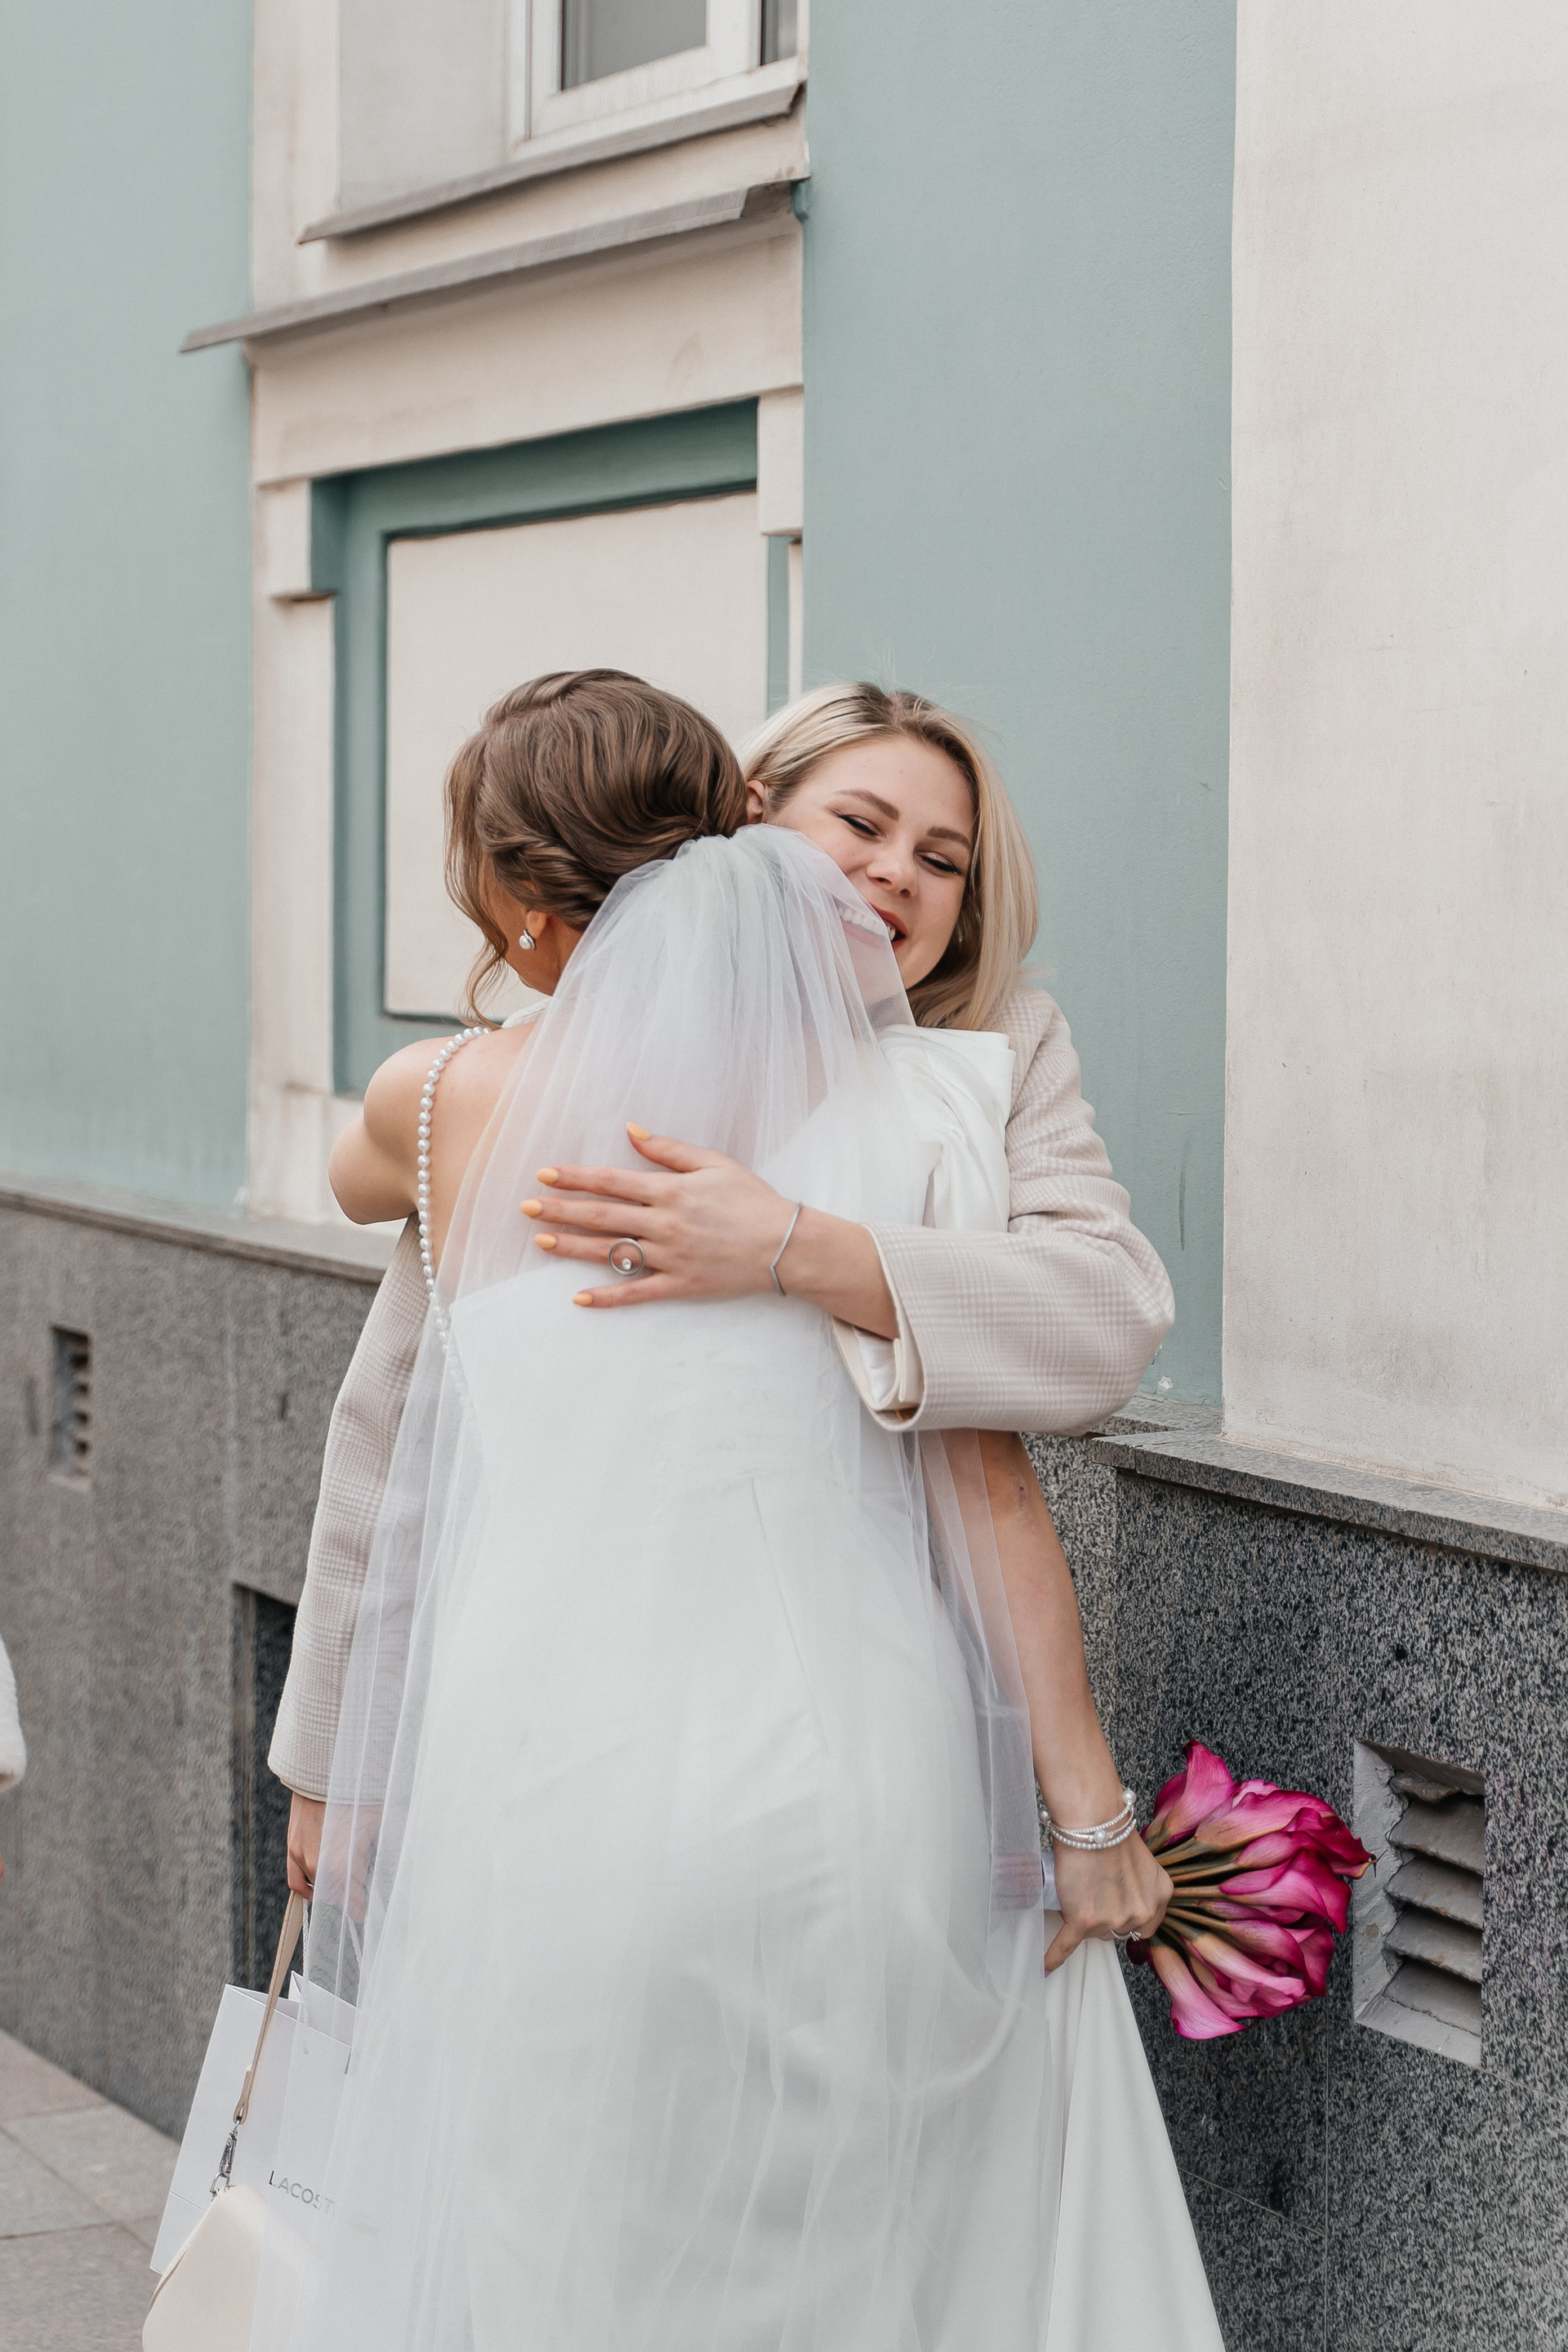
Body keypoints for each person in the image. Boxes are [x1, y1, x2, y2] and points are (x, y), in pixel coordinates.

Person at [262, 672, 1221, 2346]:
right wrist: (337, 1755)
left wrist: (801, 1250)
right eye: (863, 827)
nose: (902, 877)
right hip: (728, 1751)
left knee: (596, 2212)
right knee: (768, 2212)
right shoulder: (845, 1107)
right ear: (746, 827)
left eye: (947, 858)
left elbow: (1096, 1326)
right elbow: (396, 1455)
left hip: (624, 1752)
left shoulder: (971, 1066)